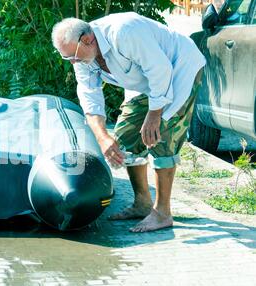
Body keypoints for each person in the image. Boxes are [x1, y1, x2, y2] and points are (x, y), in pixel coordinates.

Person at [51, 12, 205, 232]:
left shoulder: (124, 32)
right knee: (123, 141)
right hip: (145, 83)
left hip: (180, 68)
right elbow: (89, 96)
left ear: (88, 39)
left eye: (73, 56)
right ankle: (142, 203)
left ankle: (162, 213)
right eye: (67, 58)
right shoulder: (81, 55)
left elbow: (160, 69)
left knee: (161, 136)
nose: (73, 62)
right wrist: (102, 137)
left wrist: (154, 116)